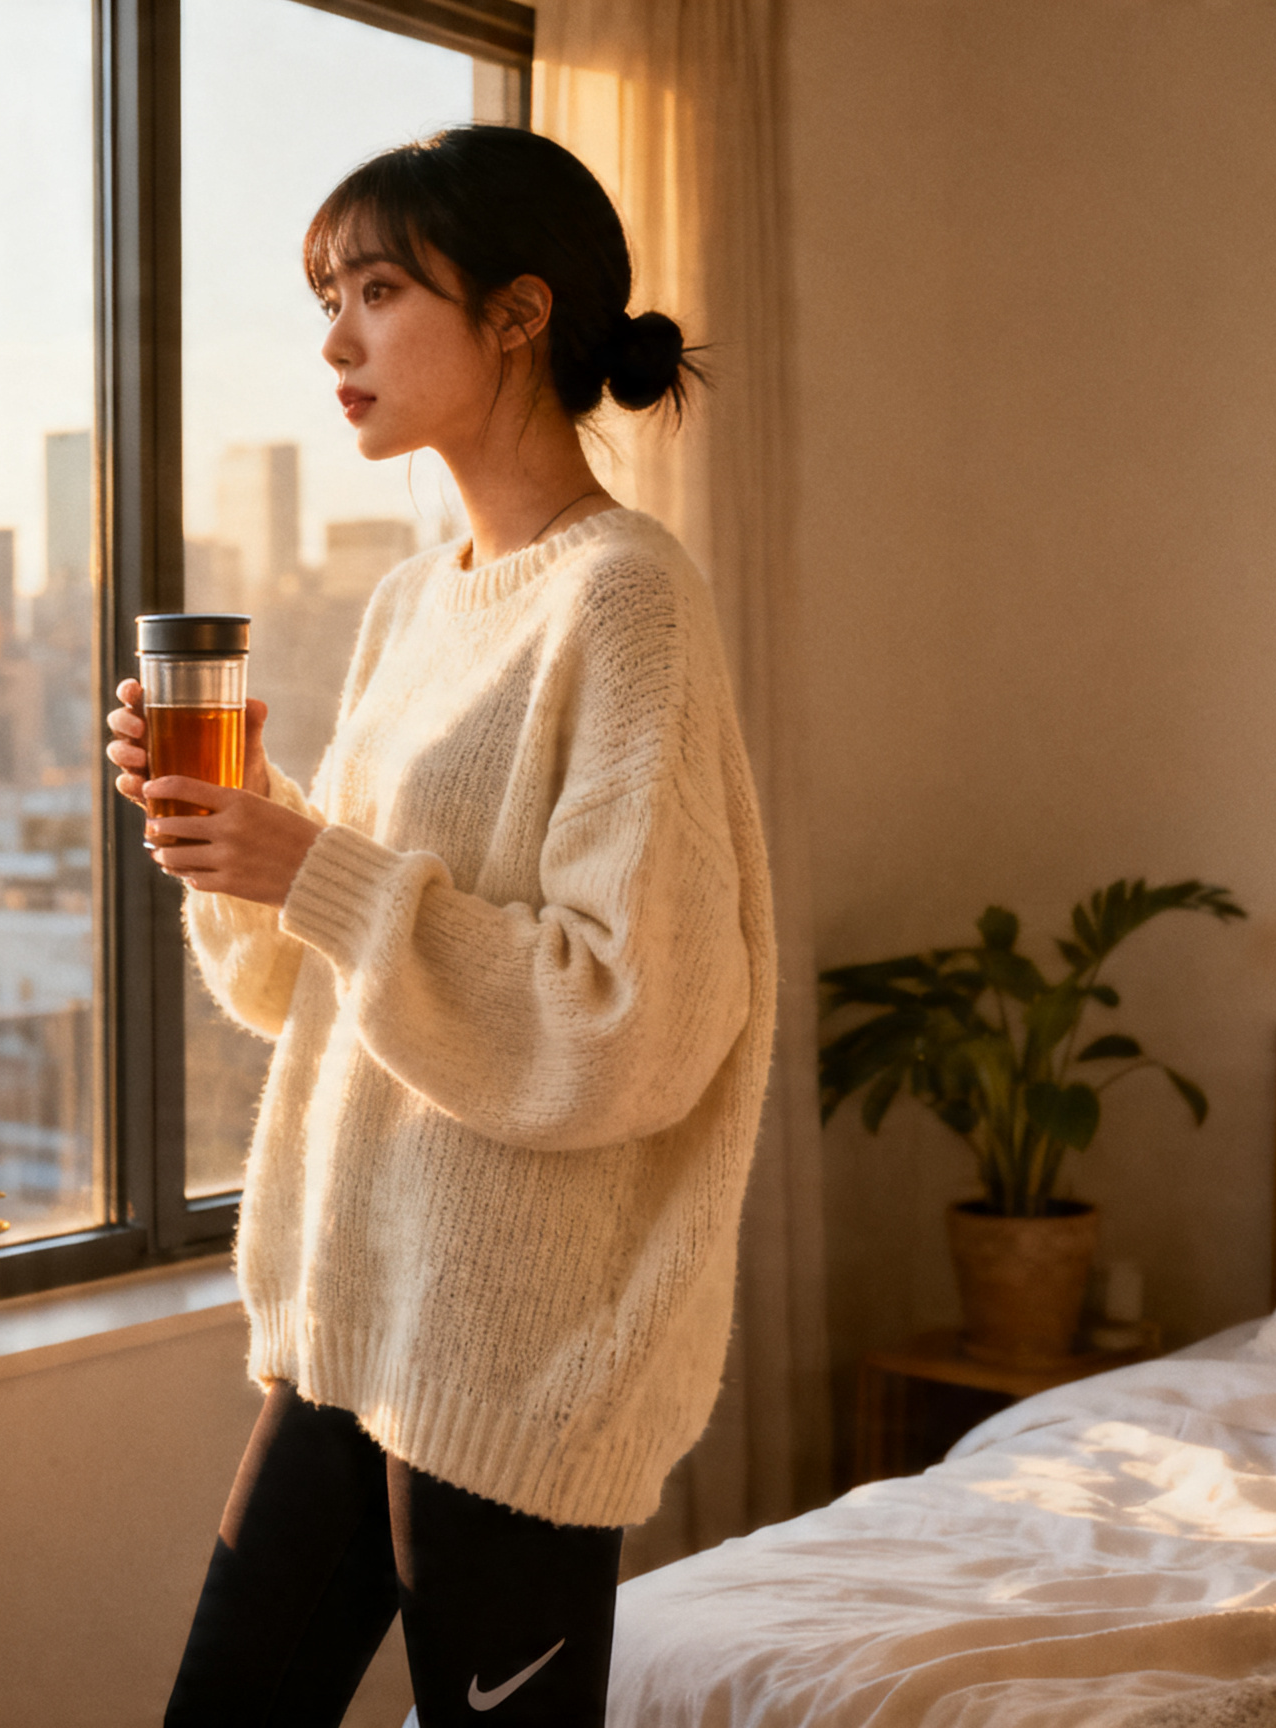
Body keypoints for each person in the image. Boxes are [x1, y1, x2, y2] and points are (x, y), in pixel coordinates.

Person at [105, 124, 776, 1728]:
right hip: (353, 1316)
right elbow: (306, 984)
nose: (336, 338)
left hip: (519, 1354)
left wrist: (314, 867)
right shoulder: (416, 601)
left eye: (380, 289)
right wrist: (240, 824)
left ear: (520, 315)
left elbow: (631, 1020)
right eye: (327, 295)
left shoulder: (624, 596)